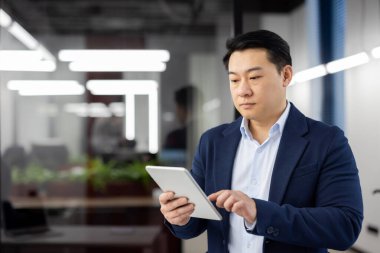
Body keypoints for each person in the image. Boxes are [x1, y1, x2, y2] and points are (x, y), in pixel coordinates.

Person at [158, 30, 363, 253]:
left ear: (285, 76)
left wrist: (258, 212)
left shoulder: (326, 141)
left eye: (254, 77)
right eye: (234, 80)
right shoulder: (213, 142)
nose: (243, 91)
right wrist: (179, 217)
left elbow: (345, 227)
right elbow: (195, 224)